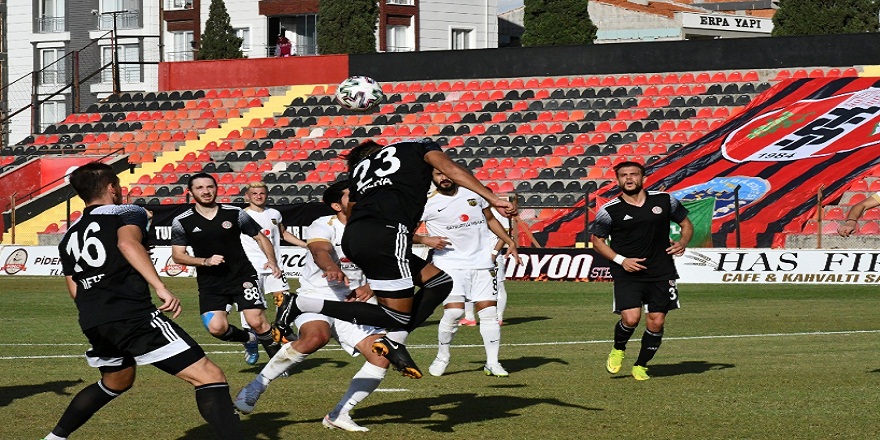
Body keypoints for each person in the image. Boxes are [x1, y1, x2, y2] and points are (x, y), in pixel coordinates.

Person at [276, 138, 516, 379]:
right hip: (387, 235)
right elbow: (451, 168)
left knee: (439, 283)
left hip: (359, 236)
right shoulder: (415, 148)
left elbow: (355, 211)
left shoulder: (360, 173)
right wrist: (493, 198)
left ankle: (395, 342)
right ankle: (301, 305)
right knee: (398, 315)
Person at [50, 162, 243, 440]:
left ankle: (54, 438)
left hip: (93, 319)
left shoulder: (70, 233)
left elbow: (74, 288)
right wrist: (161, 287)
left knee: (116, 381)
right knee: (209, 375)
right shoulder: (128, 211)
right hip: (132, 314)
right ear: (112, 187)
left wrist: (99, 311)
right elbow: (128, 244)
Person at [235, 180, 390, 432]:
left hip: (352, 303)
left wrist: (371, 286)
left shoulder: (374, 226)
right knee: (317, 337)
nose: (359, 199)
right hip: (315, 296)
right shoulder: (323, 224)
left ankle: (339, 414)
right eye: (353, 196)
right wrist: (331, 268)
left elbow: (386, 262)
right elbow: (320, 250)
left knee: (382, 355)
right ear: (336, 205)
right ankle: (256, 386)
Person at [590, 161, 693, 381]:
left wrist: (682, 242)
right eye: (623, 175)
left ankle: (641, 365)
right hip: (627, 272)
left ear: (643, 178)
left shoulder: (665, 200)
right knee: (631, 318)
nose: (628, 179)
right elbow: (597, 241)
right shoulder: (609, 210)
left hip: (662, 271)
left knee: (656, 321)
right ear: (617, 180)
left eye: (633, 174)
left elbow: (686, 223)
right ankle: (618, 348)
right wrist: (621, 260)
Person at [415, 168, 518, 377]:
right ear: (432, 178)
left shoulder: (474, 194)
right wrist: (426, 239)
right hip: (449, 264)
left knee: (488, 314)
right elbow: (405, 233)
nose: (443, 178)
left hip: (482, 263)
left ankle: (492, 362)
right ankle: (443, 356)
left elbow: (490, 220)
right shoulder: (426, 203)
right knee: (454, 313)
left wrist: (509, 242)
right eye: (437, 175)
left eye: (445, 173)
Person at [171, 173, 281, 366]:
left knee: (257, 321)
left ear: (216, 188)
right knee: (216, 328)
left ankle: (280, 365)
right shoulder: (182, 221)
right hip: (210, 283)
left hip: (242, 276)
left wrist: (272, 261)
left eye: (210, 187)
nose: (206, 191)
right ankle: (249, 339)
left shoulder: (235, 213)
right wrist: (205, 261)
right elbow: (178, 255)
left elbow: (260, 237)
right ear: (190, 192)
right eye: (200, 188)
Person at [237, 181, 306, 336]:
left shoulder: (274, 213)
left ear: (267, 194)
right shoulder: (242, 216)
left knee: (284, 299)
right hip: (252, 266)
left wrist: (306, 245)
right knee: (251, 304)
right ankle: (250, 336)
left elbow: (283, 234)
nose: (258, 196)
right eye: (254, 194)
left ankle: (284, 329)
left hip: (275, 266)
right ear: (247, 196)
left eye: (261, 193)